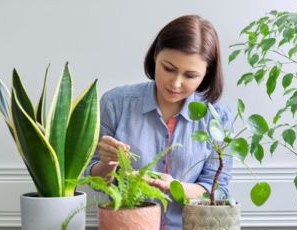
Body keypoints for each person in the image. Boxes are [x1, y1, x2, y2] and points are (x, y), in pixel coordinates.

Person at [85, 14, 233, 229]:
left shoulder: (217, 115)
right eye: (169, 68)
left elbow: (218, 190)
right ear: (155, 56)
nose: (176, 83)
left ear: (206, 74)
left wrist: (174, 186)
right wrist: (108, 163)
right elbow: (94, 180)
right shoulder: (115, 103)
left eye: (190, 75)